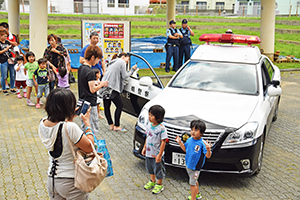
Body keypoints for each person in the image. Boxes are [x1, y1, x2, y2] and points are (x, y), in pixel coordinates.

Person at [38, 88, 94, 200]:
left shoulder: (43, 123)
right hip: (71, 181)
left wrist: (69, 118)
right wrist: (87, 123)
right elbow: (89, 147)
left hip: (53, 179)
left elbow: (61, 133)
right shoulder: (70, 127)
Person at [175, 120, 212, 200]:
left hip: (196, 168)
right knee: (194, 181)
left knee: (192, 184)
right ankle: (197, 194)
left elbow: (208, 156)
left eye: (196, 130)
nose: (192, 132)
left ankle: (193, 198)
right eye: (192, 129)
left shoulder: (202, 143)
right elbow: (185, 149)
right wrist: (180, 142)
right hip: (188, 165)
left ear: (201, 133)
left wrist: (208, 149)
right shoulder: (189, 140)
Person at [101, 52, 137, 132]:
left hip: (104, 85)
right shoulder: (122, 62)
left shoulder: (113, 61)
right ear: (124, 57)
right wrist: (132, 69)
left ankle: (111, 125)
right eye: (128, 59)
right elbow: (124, 76)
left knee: (107, 106)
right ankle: (117, 126)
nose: (128, 61)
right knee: (120, 105)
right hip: (112, 87)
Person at [78, 45, 108, 136]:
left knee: (84, 126)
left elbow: (85, 83)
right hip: (91, 103)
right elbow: (92, 90)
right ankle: (92, 146)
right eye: (98, 59)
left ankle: (84, 146)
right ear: (92, 57)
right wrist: (102, 84)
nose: (98, 62)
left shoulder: (81, 68)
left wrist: (96, 83)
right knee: (92, 128)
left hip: (83, 102)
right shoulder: (90, 72)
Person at [142, 105, 167, 194]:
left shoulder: (161, 128)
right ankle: (152, 181)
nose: (149, 117)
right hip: (149, 152)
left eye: (152, 115)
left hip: (156, 154)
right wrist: (144, 147)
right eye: (149, 114)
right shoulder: (149, 125)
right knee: (150, 168)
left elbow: (163, 142)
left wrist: (159, 155)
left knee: (158, 169)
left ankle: (159, 184)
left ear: (158, 117)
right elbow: (147, 137)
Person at [0, 28, 14, 95]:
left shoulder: (7, 42)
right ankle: (4, 89)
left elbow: (11, 50)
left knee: (12, 75)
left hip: (10, 60)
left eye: (6, 36)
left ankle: (12, 88)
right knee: (4, 76)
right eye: (4, 36)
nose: (6, 38)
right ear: (0, 36)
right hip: (3, 61)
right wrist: (6, 49)